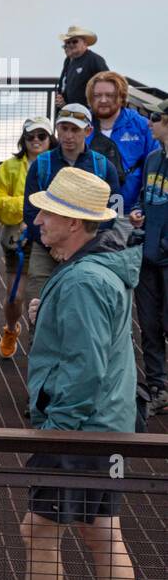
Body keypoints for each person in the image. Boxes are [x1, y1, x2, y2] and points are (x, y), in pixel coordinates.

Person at [0, 167, 138, 580]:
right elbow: (88, 351)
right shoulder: (95, 270)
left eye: (48, 213)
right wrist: (46, 317)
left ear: (74, 222)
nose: (37, 220)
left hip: (79, 428)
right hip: (106, 423)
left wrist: (56, 429)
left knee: (40, 530)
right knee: (102, 536)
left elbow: (84, 368)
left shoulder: (81, 281)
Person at [22, 103, 122, 293]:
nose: (68, 135)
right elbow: (30, 210)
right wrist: (50, 243)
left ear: (88, 131)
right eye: (63, 128)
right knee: (37, 301)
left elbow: (113, 211)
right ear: (56, 129)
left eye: (75, 129)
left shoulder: (103, 166)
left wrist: (81, 244)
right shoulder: (41, 164)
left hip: (87, 248)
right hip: (46, 247)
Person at [0, 118, 55, 359]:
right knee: (14, 296)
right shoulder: (10, 166)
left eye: (42, 136)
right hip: (18, 239)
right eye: (31, 136)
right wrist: (28, 208)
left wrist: (30, 211)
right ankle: (10, 329)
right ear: (23, 139)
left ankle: (39, 342)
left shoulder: (57, 164)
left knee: (40, 295)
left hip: (49, 240)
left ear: (50, 139)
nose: (36, 140)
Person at [129, 99, 168, 414]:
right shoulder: (153, 158)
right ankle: (158, 388)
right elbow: (145, 196)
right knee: (149, 326)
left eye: (155, 117)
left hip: (164, 256)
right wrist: (138, 212)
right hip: (148, 255)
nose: (150, 123)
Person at [86, 71, 153, 212]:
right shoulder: (80, 125)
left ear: (121, 97)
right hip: (87, 211)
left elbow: (155, 167)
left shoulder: (142, 126)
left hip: (128, 213)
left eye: (109, 95)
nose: (103, 100)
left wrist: (141, 207)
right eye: (97, 95)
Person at [54, 25, 109, 109]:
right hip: (69, 111)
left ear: (85, 43)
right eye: (67, 42)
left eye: (74, 41)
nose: (70, 44)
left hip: (88, 112)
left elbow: (108, 82)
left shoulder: (94, 59)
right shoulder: (68, 60)